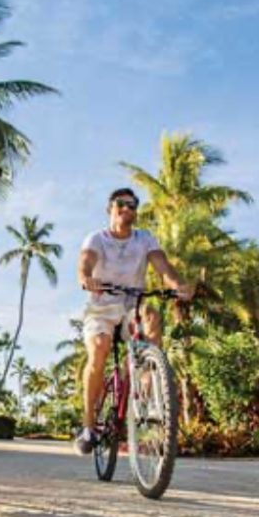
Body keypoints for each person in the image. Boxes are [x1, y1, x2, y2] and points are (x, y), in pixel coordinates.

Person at [74, 187, 192, 455]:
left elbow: (163, 266)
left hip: (131, 307)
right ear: (110, 209)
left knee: (151, 315)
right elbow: (85, 261)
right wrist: (86, 278)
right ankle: (88, 426)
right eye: (121, 204)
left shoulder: (144, 239)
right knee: (100, 348)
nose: (127, 209)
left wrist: (178, 285)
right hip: (101, 308)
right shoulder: (97, 239)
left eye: (133, 205)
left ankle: (147, 393)